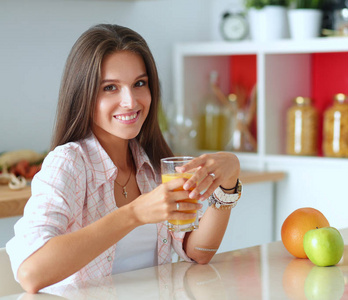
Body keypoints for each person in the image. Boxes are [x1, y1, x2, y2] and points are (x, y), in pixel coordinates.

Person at [6, 24, 241, 294]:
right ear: (84, 95)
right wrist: (134, 213)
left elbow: (198, 253)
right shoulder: (69, 163)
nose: (130, 101)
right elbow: (31, 273)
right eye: (110, 88)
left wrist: (229, 183)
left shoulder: (152, 165)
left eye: (139, 84)